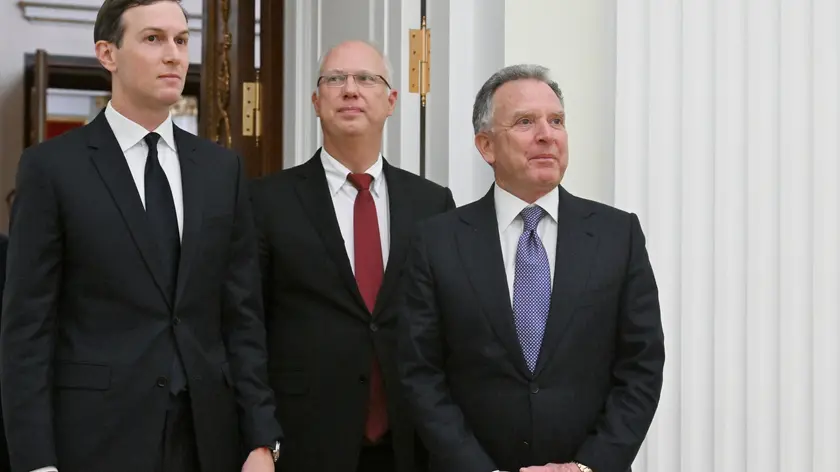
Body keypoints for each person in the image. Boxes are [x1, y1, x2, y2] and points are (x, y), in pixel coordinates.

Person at [0, 1, 282, 471]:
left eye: (181, 40)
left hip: (207, 438)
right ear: (107, 53)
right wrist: (35, 462)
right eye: (153, 38)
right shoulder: (52, 168)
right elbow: (27, 329)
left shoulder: (221, 170)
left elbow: (242, 317)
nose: (173, 54)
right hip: (95, 439)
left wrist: (260, 438)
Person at [398, 64, 665, 472]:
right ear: (486, 146)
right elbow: (420, 373)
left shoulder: (618, 235)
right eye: (525, 122)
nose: (547, 134)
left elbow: (641, 366)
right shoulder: (437, 241)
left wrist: (586, 467)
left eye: (556, 121)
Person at [250, 40, 456, 472]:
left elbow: (447, 328)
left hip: (410, 445)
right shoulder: (266, 201)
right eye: (335, 79)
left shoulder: (432, 203)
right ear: (315, 102)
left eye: (366, 78)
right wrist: (259, 437)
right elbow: (247, 328)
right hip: (305, 442)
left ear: (391, 101)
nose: (350, 89)